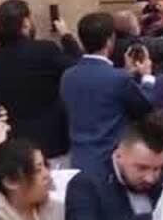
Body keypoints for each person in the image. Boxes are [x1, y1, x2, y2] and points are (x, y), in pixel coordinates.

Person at [0, 0, 74, 162]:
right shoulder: (46, 50)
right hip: (51, 144)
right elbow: (77, 67)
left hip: (12, 148)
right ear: (25, 23)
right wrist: (66, 36)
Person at [60, 11, 155, 171]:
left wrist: (126, 74)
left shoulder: (67, 76)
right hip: (109, 162)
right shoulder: (118, 78)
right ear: (109, 41)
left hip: (77, 160)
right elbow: (145, 108)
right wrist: (147, 77)